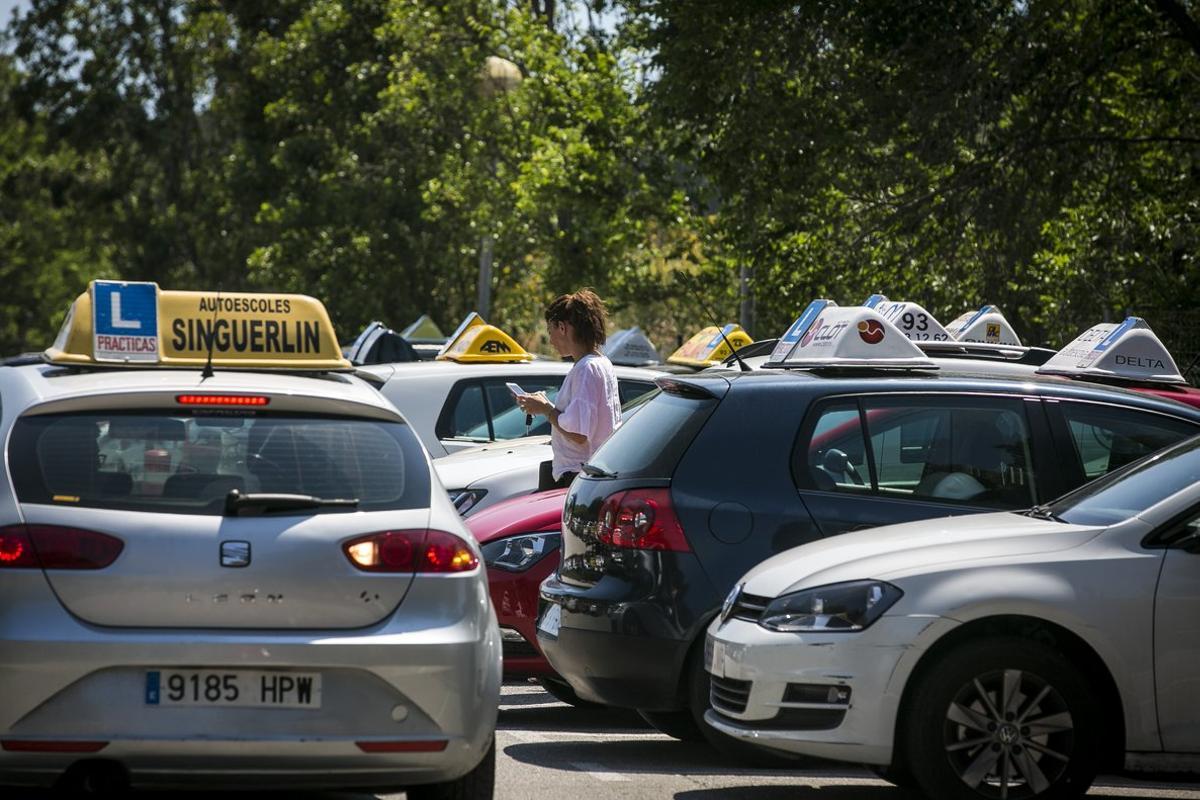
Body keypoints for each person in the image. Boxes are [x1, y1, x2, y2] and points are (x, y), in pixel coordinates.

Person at [516, 289, 620, 488]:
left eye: (550, 331)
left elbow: (579, 434)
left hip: (577, 476)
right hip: (589, 473)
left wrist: (546, 408)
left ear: (562, 327)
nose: (551, 341)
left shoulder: (586, 368)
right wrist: (544, 406)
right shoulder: (601, 363)